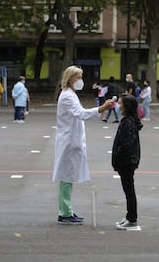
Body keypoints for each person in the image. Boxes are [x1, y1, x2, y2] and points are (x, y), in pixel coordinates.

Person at [53, 65, 113, 225]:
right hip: (68, 141)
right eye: (78, 77)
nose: (80, 80)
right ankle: (65, 212)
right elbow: (81, 114)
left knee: (68, 177)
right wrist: (102, 108)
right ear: (70, 78)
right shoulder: (67, 96)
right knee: (66, 177)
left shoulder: (70, 94)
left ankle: (67, 211)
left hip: (71, 140)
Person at [112, 93, 143, 230]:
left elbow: (127, 144)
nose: (118, 106)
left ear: (126, 106)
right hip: (127, 161)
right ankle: (130, 216)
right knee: (128, 189)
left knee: (129, 190)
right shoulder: (128, 120)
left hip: (127, 162)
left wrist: (118, 156)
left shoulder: (129, 123)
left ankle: (132, 218)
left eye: (120, 103)